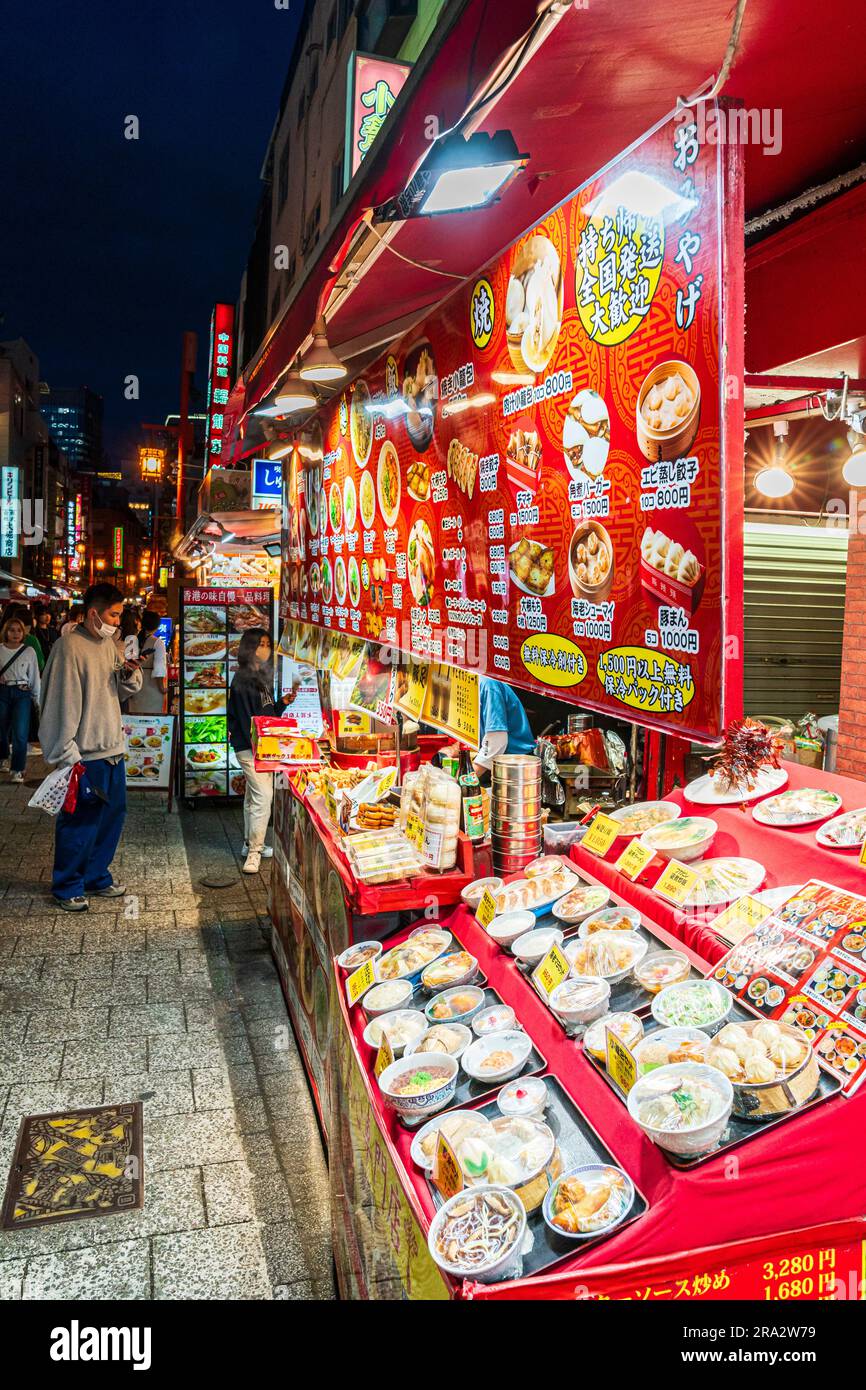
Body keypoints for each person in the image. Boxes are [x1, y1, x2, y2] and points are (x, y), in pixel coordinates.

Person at [39, 581, 143, 911]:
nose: (118, 622)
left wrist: (128, 672)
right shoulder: (69, 648)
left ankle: (96, 875)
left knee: (112, 816)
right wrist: (67, 756)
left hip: (112, 748)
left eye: (120, 615)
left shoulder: (109, 644)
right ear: (94, 613)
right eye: (113, 615)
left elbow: (120, 691)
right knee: (80, 820)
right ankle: (68, 884)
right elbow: (59, 703)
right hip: (84, 754)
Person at [227, 628, 288, 874]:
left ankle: (249, 844)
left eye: (267, 644)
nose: (265, 649)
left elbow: (268, 712)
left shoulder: (260, 676)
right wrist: (261, 748)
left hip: (263, 745)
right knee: (264, 795)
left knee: (253, 796)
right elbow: (246, 721)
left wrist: (282, 704)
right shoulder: (242, 680)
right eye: (260, 644)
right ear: (249, 648)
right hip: (250, 746)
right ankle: (254, 852)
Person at [0, 611, 41, 782]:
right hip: (2, 691)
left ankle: (18, 769)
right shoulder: (0, 649)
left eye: (19, 630)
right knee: (1, 729)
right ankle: (3, 757)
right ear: (5, 632)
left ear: (23, 633)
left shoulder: (29, 651)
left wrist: (37, 699)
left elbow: (34, 676)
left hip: (22, 693)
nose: (15, 634)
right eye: (12, 630)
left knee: (20, 733)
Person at [473, 675, 536, 778]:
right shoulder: (466, 682)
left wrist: (466, 780)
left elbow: (496, 742)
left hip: (514, 765)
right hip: (490, 760)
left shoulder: (488, 684)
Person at [126, 609, 167, 714]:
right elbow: (159, 669)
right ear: (157, 626)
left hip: (133, 684)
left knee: (134, 720)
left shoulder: (131, 640)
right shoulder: (158, 643)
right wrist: (162, 688)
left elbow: (126, 665)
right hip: (152, 686)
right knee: (151, 720)